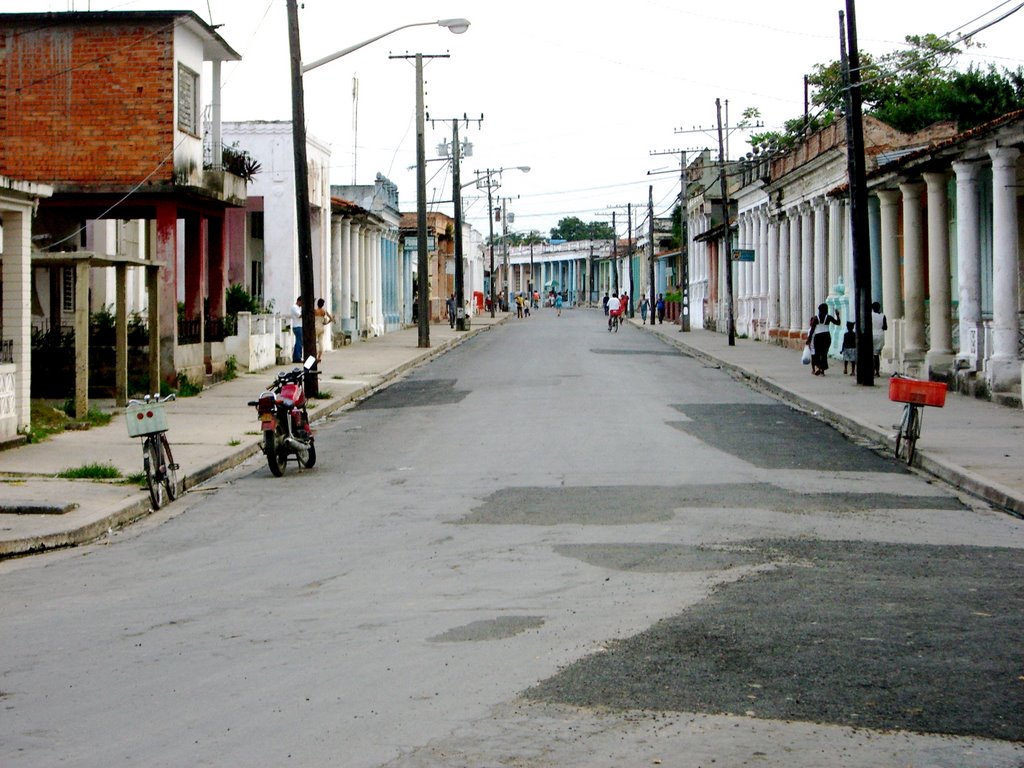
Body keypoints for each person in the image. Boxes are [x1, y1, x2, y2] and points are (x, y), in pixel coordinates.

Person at [806, 302, 841, 375]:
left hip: (818, 337)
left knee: (817, 353)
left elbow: (812, 330)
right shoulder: (828, 317)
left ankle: (818, 367)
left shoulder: (815, 318)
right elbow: (838, 323)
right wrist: (837, 315)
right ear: (826, 310)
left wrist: (808, 340)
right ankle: (822, 370)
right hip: (826, 337)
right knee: (824, 353)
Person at [871, 301, 888, 377]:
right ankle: (877, 371)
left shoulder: (870, 315)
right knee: (876, 355)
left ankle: (871, 369)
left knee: (871, 354)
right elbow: (885, 327)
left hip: (872, 334)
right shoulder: (883, 315)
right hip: (880, 335)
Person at [314, 298, 333, 363]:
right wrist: (327, 322)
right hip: (322, 328)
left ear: (317, 304)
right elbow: (330, 319)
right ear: (323, 305)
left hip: (316, 327)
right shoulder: (324, 311)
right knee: (321, 342)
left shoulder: (315, 311)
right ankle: (319, 357)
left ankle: (315, 357)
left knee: (315, 342)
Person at [290, 296, 303, 363]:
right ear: (299, 301)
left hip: (299, 326)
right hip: (297, 326)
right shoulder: (294, 307)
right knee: (299, 342)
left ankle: (296, 357)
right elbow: (300, 315)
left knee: (299, 342)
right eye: (302, 302)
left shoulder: (298, 308)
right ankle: (298, 357)